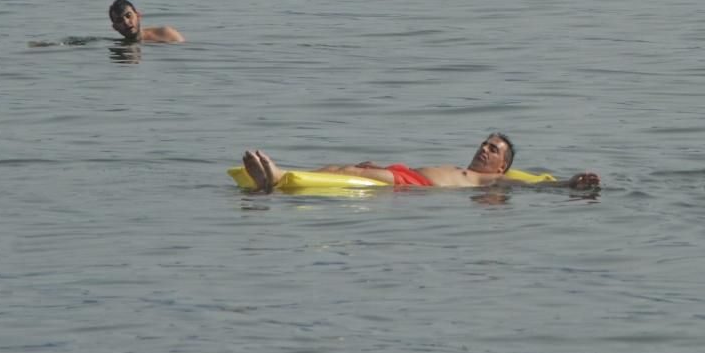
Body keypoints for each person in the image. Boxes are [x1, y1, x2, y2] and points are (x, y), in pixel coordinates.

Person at [242, 132, 601, 193]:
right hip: (406, 173)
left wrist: (569, 184)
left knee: (352, 172)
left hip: (416, 187)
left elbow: (533, 186)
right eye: (484, 144)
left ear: (502, 166)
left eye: (494, 150)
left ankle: (276, 177)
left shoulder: (487, 182)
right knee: (341, 166)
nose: (485, 150)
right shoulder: (468, 170)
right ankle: (278, 177)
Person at [108, 0, 184, 43]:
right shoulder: (118, 47)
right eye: (119, 20)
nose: (126, 22)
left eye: (129, 16)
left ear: (138, 16)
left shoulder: (166, 34)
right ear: (115, 27)